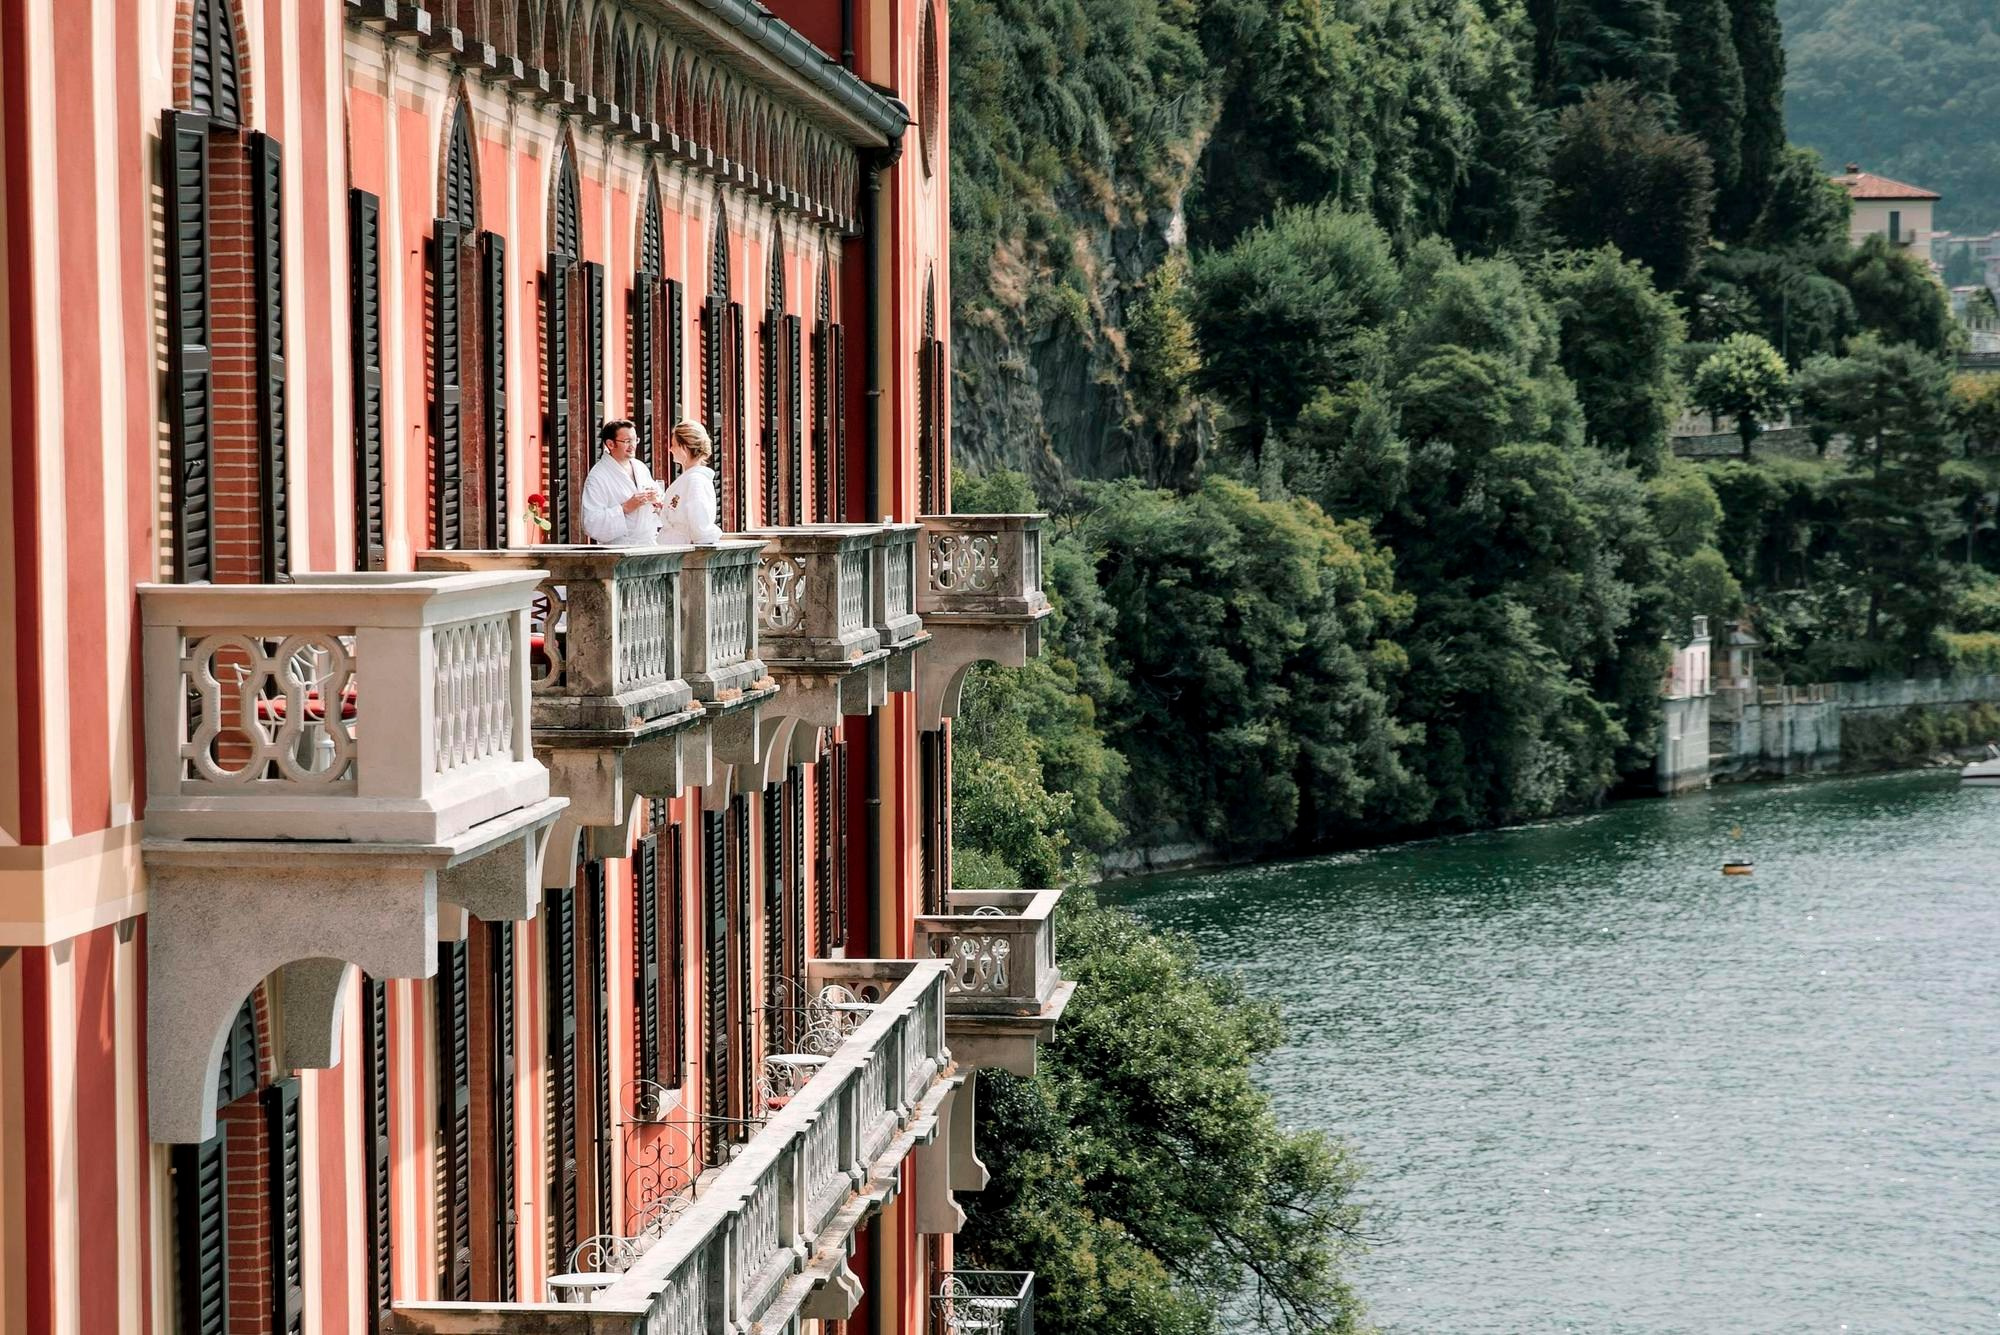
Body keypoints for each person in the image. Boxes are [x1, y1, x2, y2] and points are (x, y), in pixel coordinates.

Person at [581, 418, 666, 546]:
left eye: (635, 440)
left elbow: (659, 500)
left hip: (649, 543)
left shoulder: (640, 467)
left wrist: (656, 500)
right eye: (627, 441)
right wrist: (625, 508)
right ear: (610, 444)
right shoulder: (597, 477)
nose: (633, 445)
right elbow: (591, 523)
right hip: (619, 547)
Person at [658, 419, 723, 545]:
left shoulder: (695, 481)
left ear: (684, 448)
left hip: (681, 549)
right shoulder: (689, 479)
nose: (671, 449)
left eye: (673, 444)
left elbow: (700, 526)